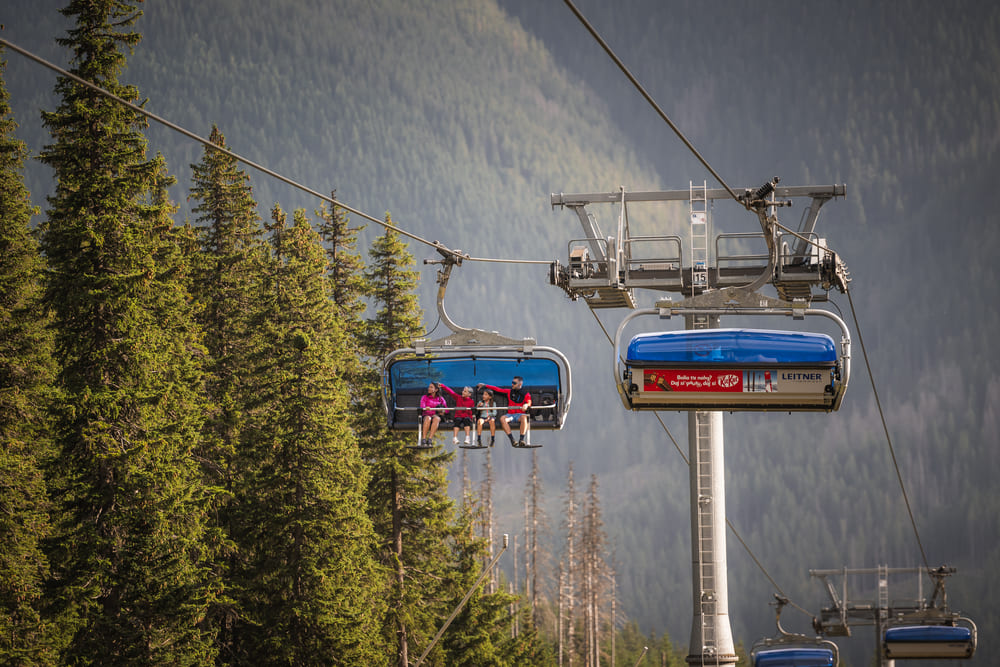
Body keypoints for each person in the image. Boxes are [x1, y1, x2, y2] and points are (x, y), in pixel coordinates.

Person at [480, 375, 532, 447]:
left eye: (514, 383)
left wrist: (526, 405)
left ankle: (521, 439)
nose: (512, 384)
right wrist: (485, 385)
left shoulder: (525, 394)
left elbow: (529, 402)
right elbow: (498, 389)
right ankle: (512, 440)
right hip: (510, 415)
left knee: (524, 417)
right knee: (502, 418)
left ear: (520, 384)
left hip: (520, 415)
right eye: (512, 382)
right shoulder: (509, 391)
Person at [419, 382, 446, 447]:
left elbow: (446, 408)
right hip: (427, 415)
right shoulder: (425, 397)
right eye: (429, 387)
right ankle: (424, 439)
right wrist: (426, 408)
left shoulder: (440, 399)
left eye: (431, 387)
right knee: (428, 418)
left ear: (436, 389)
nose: (429, 388)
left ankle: (430, 439)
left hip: (436, 416)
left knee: (436, 418)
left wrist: (442, 411)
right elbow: (422, 406)